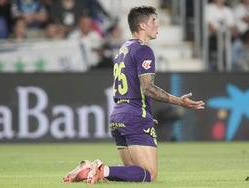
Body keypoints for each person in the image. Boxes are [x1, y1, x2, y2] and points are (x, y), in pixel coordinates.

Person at [61, 6, 205, 184]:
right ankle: (100, 168)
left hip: (118, 114)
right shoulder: (144, 50)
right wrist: (178, 101)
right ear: (143, 25)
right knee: (149, 174)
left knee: (132, 174)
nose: (157, 25)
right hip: (134, 115)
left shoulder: (124, 48)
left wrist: (145, 114)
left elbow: (133, 85)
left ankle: (91, 168)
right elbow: (147, 88)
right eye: (153, 20)